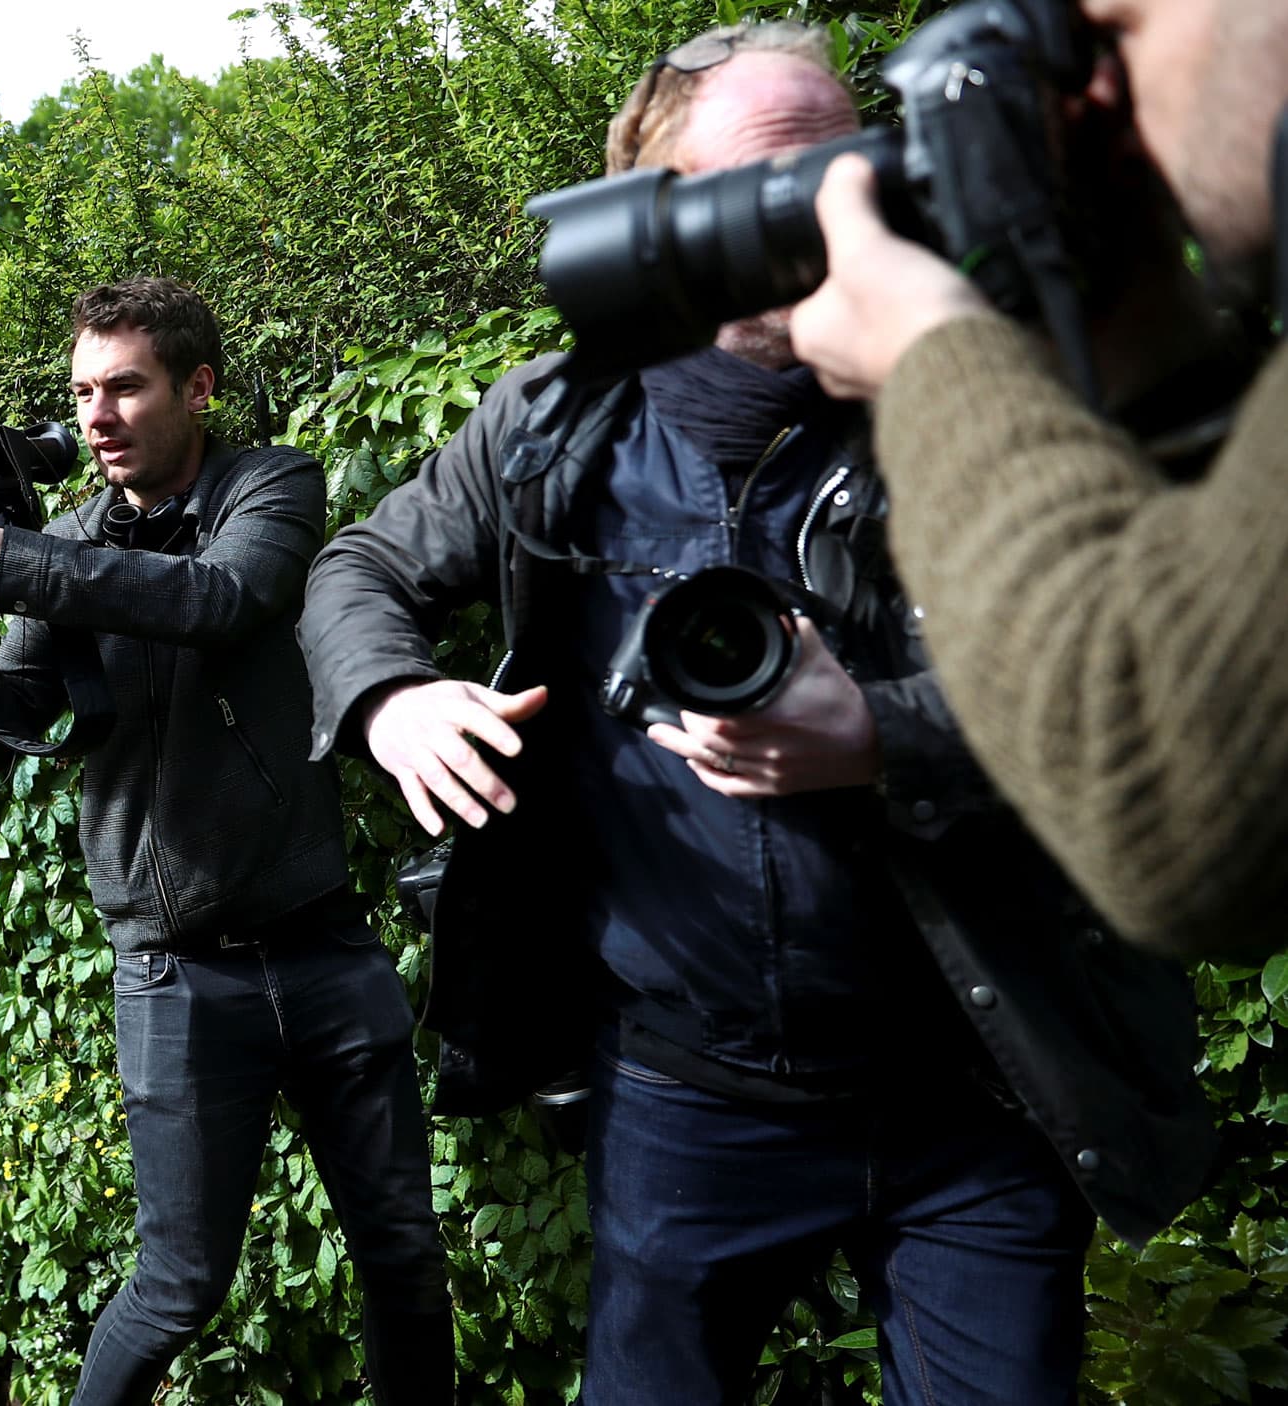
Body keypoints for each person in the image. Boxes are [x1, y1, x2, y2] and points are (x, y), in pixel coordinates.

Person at [298, 25, 1213, 1404]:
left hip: (971, 1089)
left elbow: (1148, 684)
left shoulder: (971, 390)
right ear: (658, 215)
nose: (834, 215)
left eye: (852, 170)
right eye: (777, 189)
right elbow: (354, 565)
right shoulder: (555, 425)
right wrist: (393, 698)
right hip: (685, 1096)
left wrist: (880, 737)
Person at [0, 277, 453, 1404]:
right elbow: (9, 732)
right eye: (82, 391)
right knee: (176, 1286)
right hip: (178, 977)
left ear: (196, 387)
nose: (96, 415)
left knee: (405, 1261)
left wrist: (6, 560)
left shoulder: (269, 484)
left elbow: (225, 597)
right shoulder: (66, 540)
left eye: (124, 387)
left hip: (325, 948)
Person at [789, 0, 1288, 959]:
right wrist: (1135, 330)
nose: (1102, 92)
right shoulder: (554, 427)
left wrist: (930, 359)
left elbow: (1172, 783)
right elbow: (1228, 591)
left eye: (1113, 30)